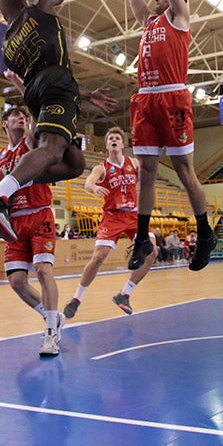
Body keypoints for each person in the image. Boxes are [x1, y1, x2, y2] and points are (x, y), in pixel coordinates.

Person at [0, 0, 115, 244]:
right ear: (22, 3)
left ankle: (19, 181)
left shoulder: (7, 47)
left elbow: (37, 83)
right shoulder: (37, 9)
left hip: (37, 95)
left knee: (74, 164)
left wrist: (85, 95)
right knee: (50, 150)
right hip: (54, 85)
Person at [123, 0, 218, 272]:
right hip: (145, 101)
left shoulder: (180, 18)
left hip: (173, 97)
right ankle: (141, 236)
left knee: (182, 169)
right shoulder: (148, 23)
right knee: (145, 172)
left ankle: (206, 234)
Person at [0, 106, 65, 357]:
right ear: (4, 124)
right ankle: (51, 317)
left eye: (23, 116)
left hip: (39, 213)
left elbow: (35, 123)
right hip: (13, 222)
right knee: (17, 282)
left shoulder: (31, 143)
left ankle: (51, 334)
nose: (21, 118)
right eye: (15, 116)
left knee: (44, 271)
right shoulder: (0, 156)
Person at [64, 127, 160, 319]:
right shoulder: (102, 168)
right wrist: (94, 188)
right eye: (111, 139)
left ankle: (124, 294)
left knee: (153, 251)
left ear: (123, 144)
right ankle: (76, 298)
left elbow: (148, 181)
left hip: (133, 215)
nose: (114, 140)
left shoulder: (134, 163)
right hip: (112, 216)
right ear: (107, 145)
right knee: (99, 257)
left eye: (118, 138)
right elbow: (88, 182)